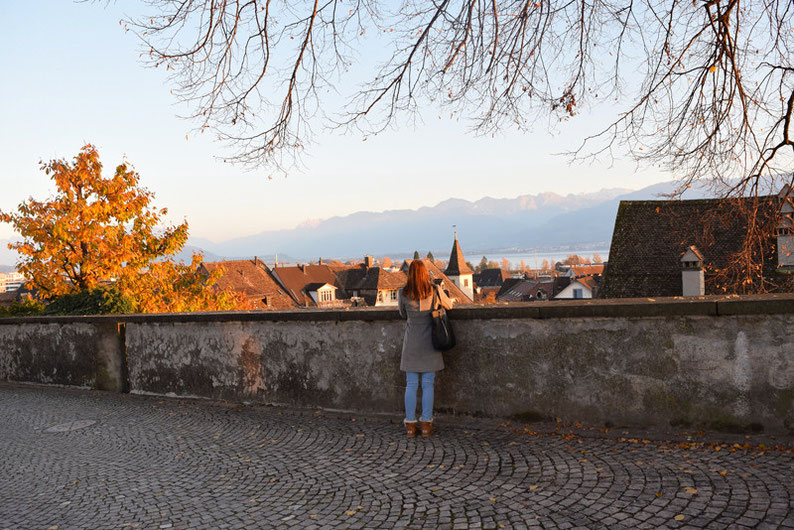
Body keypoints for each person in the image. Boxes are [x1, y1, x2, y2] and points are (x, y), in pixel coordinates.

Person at [398, 260, 453, 438]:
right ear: (425, 273)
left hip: (412, 341)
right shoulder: (434, 290)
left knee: (411, 384)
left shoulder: (402, 293)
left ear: (410, 274)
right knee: (428, 384)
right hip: (431, 341)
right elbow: (449, 305)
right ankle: (427, 424)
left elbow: (402, 314)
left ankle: (410, 426)